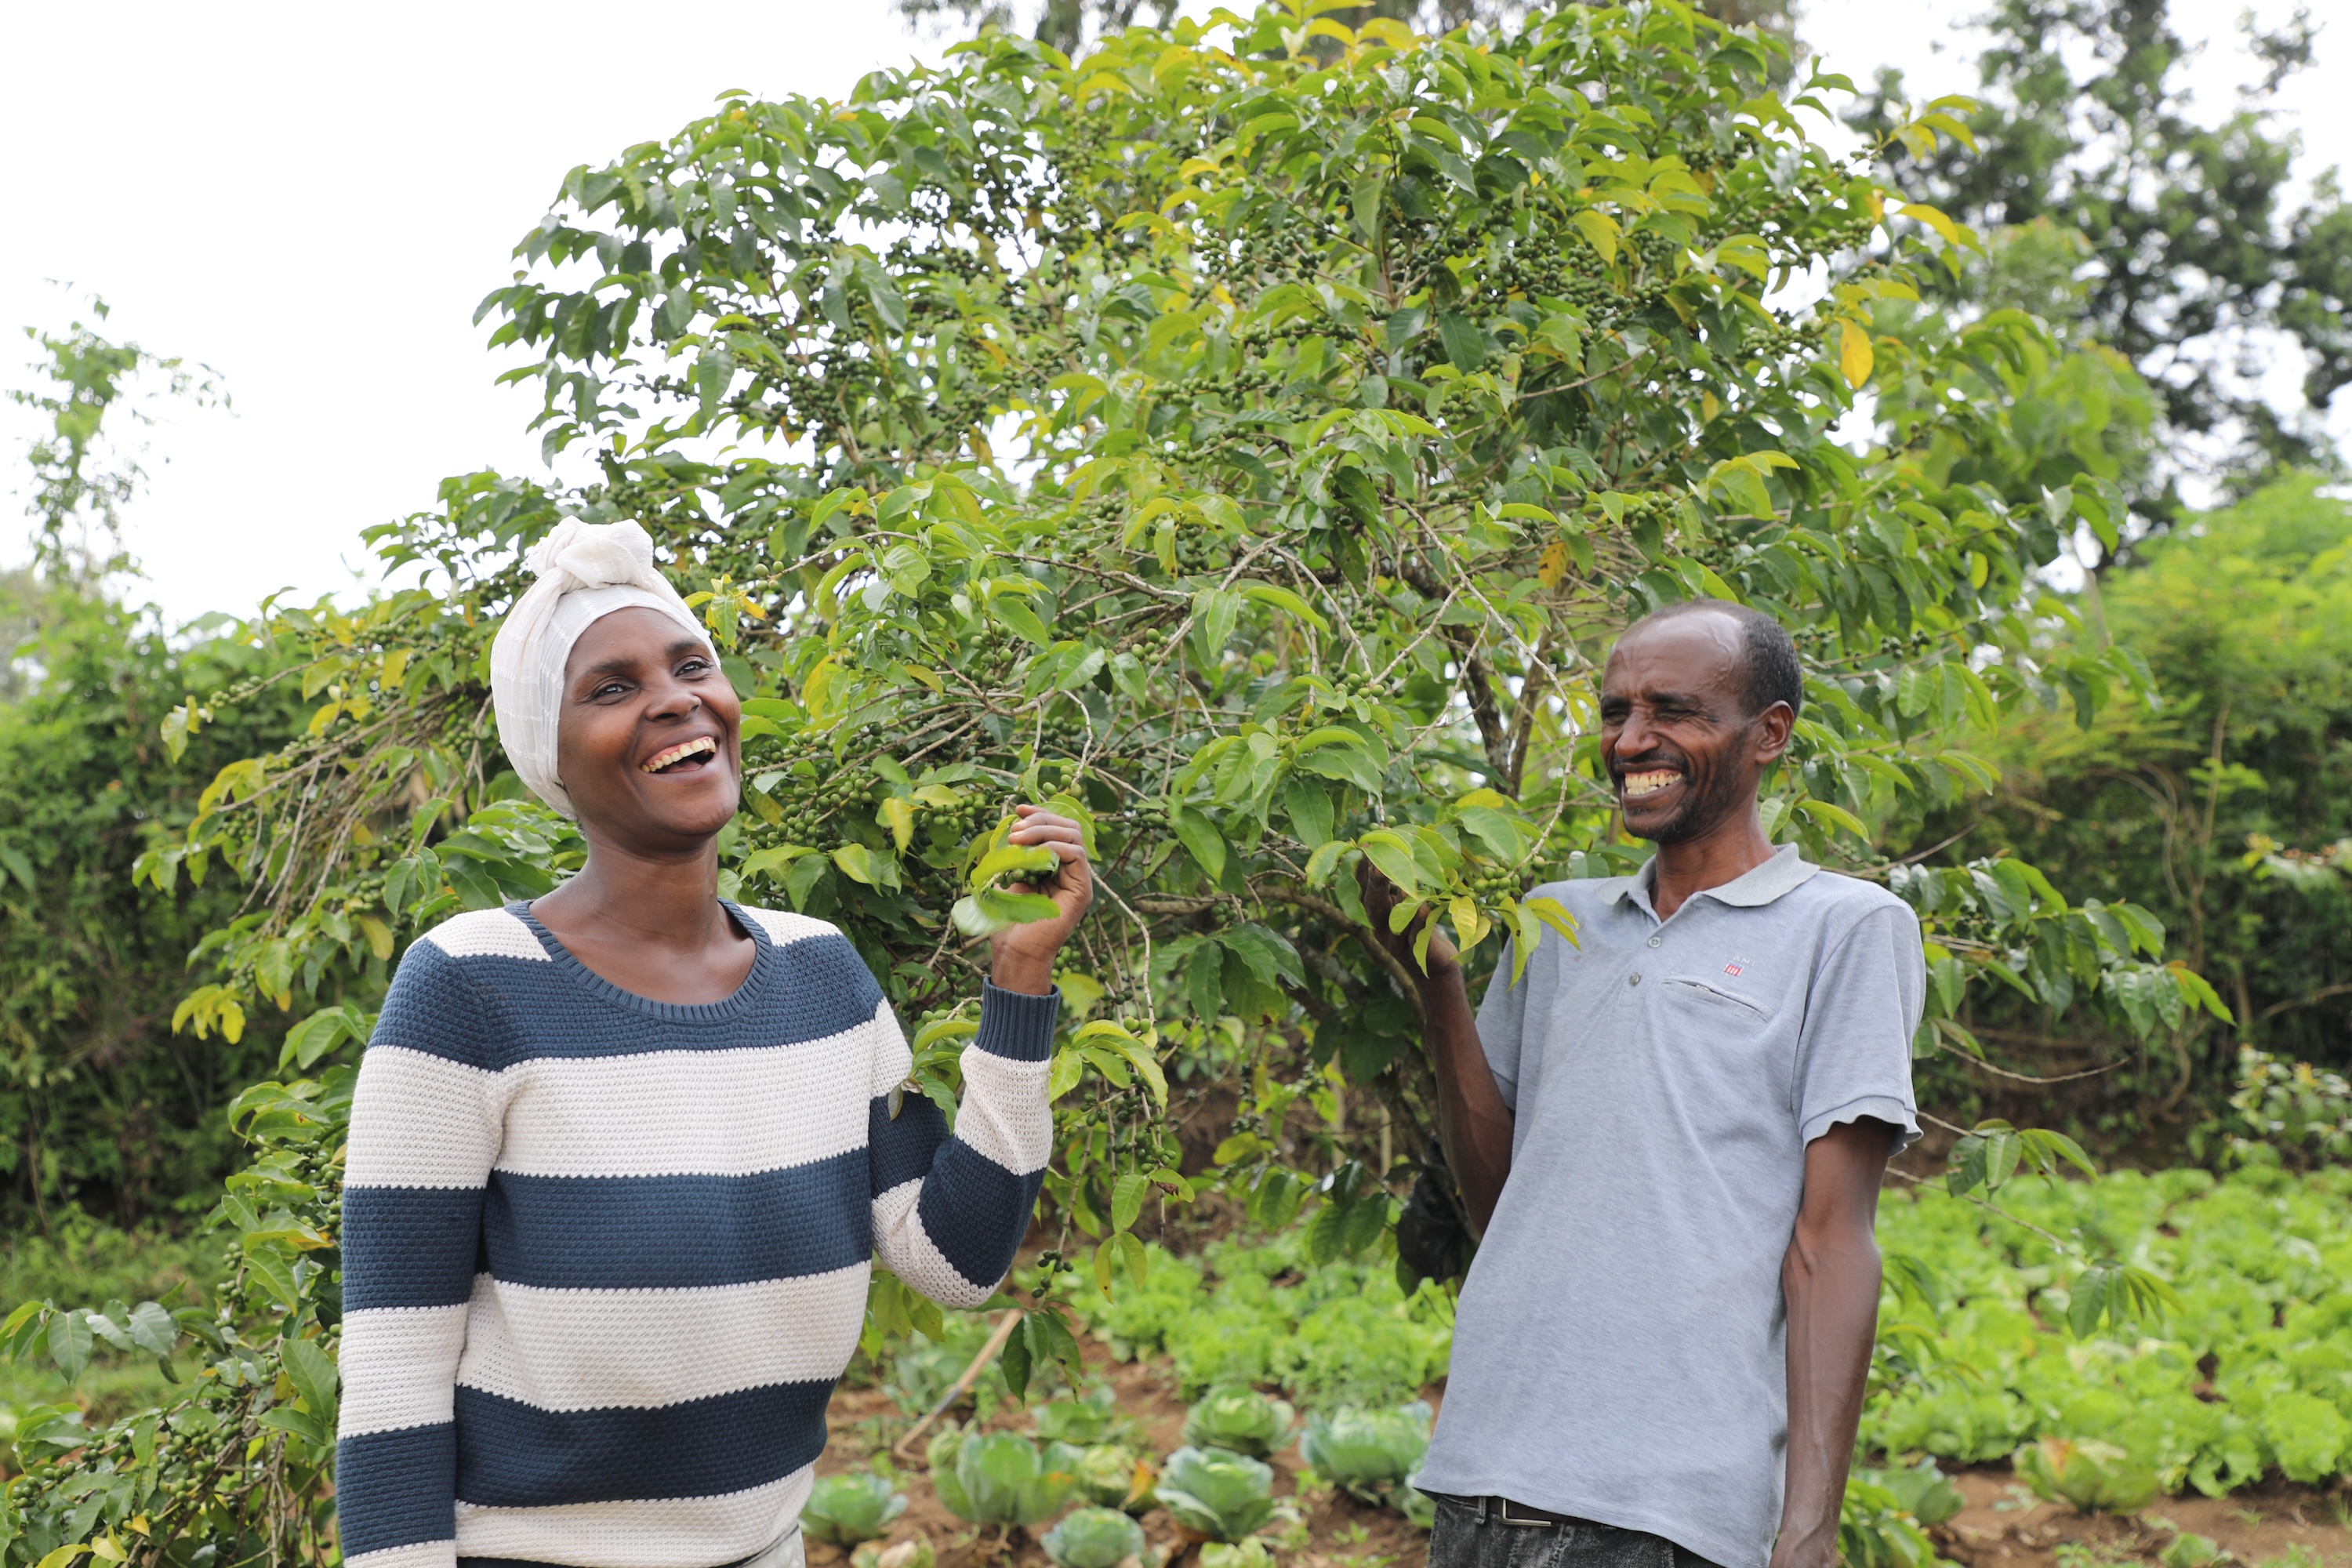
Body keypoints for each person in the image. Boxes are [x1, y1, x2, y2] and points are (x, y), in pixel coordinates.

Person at [332, 519, 1091, 1568]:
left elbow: (956, 1259)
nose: (676, 697)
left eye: (694, 666)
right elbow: (392, 1370)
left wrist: (1020, 981)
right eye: (612, 687)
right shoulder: (468, 987)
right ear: (546, 754)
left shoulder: (823, 976)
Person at [1376, 600, 1925, 1568]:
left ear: (1770, 734)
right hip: (1480, 1473)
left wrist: (1808, 1530)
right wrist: (1439, 984)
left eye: (1672, 709)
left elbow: (1830, 1242)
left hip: (1667, 1511)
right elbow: (1502, 1196)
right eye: (1615, 710)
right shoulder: (1558, 923)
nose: (1633, 740)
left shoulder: (1846, 927)